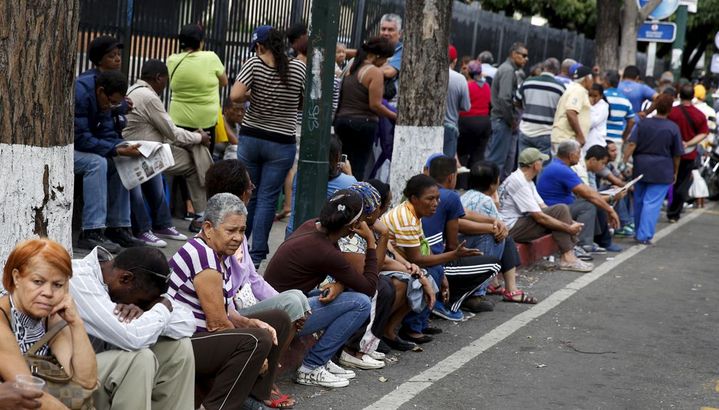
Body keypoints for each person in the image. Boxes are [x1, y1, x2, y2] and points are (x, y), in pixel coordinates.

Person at [168, 193, 293, 409]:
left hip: (202, 336)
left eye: (242, 231)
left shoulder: (219, 254)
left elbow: (226, 310)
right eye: (231, 231)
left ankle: (255, 394)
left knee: (278, 319)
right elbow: (217, 324)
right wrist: (257, 355)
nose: (238, 237)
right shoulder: (203, 256)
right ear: (208, 228)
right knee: (256, 341)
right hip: (182, 344)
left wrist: (249, 323)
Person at [264, 190, 377, 388]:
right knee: (360, 303)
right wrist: (372, 242)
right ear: (353, 226)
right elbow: (369, 286)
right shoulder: (323, 249)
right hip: (282, 317)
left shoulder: (313, 225)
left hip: (283, 303)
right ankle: (311, 366)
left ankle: (322, 360)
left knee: (350, 295)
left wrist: (340, 285)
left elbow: (345, 272)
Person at [70, 246, 196, 409]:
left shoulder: (126, 283)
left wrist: (149, 311)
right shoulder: (78, 278)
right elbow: (132, 337)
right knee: (139, 358)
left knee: (178, 347)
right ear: (125, 279)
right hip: (63, 379)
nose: (137, 306)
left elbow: (187, 322)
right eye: (141, 302)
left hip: (100, 369)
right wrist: (161, 309)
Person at [382, 173, 499, 343]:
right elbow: (418, 259)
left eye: (437, 198)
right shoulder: (405, 218)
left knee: (437, 270)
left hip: (404, 261)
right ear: (414, 198)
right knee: (426, 274)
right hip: (394, 264)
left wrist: (443, 273)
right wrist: (454, 255)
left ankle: (419, 323)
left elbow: (423, 247)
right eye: (430, 199)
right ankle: (407, 329)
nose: (436, 204)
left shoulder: (412, 212)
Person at [230, 25, 306, 268]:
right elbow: (303, 102)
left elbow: (235, 96)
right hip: (281, 142)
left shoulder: (254, 63)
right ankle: (257, 253)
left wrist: (254, 95)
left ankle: (238, 243)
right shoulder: (298, 67)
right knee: (267, 198)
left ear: (260, 46)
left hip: (252, 137)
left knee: (248, 194)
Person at [0, 239, 98, 408]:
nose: (48, 293)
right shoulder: (3, 320)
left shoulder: (51, 316)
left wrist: (76, 322)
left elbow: (86, 382)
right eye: (38, 282)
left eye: (57, 285)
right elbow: (28, 395)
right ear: (16, 277)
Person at [123, 59, 211, 247]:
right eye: (165, 81)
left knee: (189, 158)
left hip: (150, 151)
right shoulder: (149, 96)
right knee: (192, 160)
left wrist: (193, 138)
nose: (165, 85)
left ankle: (163, 224)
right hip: (139, 153)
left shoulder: (135, 90)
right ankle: (145, 230)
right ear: (159, 78)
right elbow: (172, 132)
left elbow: (166, 131)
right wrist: (198, 138)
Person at [420, 157, 502, 315]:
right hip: (434, 262)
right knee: (493, 264)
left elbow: (464, 214)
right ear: (451, 177)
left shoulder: (421, 193)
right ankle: (458, 300)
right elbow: (452, 245)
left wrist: (493, 221)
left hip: (420, 257)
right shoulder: (449, 196)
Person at [74, 69, 144, 251]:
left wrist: (122, 146)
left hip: (85, 145)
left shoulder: (104, 101)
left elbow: (105, 133)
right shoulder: (81, 95)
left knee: (122, 160)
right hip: (66, 149)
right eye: (111, 102)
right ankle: (91, 231)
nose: (112, 107)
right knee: (97, 163)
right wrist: (115, 149)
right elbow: (80, 138)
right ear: (100, 91)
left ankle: (118, 227)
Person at [499, 148, 593, 272]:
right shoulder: (519, 182)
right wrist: (568, 227)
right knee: (560, 210)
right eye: (541, 160)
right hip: (510, 228)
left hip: (517, 223)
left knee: (559, 209)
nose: (542, 163)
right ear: (535, 165)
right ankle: (568, 257)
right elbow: (539, 216)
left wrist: (569, 222)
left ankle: (570, 254)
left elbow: (543, 208)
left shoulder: (526, 180)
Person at [460, 161, 537, 303]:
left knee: (498, 236)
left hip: (465, 245)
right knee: (504, 238)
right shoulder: (486, 201)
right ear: (494, 183)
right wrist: (496, 204)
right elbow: (503, 229)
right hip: (474, 249)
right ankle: (510, 289)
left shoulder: (464, 196)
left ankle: (494, 284)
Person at [537, 141, 620, 253]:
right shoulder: (561, 169)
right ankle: (582, 244)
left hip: (560, 207)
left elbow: (587, 191)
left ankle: (592, 240)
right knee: (588, 204)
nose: (580, 156)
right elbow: (588, 194)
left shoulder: (561, 166)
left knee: (594, 201)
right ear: (571, 155)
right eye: (579, 153)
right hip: (555, 211)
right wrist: (610, 210)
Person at [623, 94, 684, 244]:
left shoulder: (643, 124)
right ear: (670, 109)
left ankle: (638, 231)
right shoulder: (673, 128)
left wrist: (624, 161)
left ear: (655, 106)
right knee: (652, 202)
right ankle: (644, 235)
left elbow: (632, 144)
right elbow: (677, 154)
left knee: (638, 200)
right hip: (662, 168)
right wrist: (675, 171)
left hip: (641, 166)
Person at [334, 36, 397, 180]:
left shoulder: (352, 67)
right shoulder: (374, 72)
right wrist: (394, 116)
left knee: (341, 165)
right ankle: (353, 199)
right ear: (378, 56)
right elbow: (375, 104)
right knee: (357, 168)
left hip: (342, 122)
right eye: (385, 59)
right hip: (362, 124)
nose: (385, 63)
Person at [286, 135, 357, 236]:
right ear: (338, 157)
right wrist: (349, 173)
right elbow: (358, 202)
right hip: (322, 238)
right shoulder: (348, 181)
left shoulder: (300, 175)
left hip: (293, 232)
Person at [666, 84, 708, 222]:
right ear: (693, 96)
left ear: (679, 95)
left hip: (670, 152)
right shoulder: (699, 115)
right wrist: (689, 143)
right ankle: (674, 213)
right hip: (688, 154)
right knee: (683, 183)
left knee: (668, 179)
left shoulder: (671, 112)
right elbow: (703, 134)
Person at [486, 42, 529, 179]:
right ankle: (489, 193)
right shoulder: (507, 70)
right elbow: (504, 99)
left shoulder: (509, 70)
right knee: (496, 161)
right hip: (502, 120)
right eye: (523, 55)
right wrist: (511, 120)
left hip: (504, 121)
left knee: (504, 161)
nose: (526, 59)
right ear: (514, 54)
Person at [516, 57, 565, 158]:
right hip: (546, 132)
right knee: (543, 168)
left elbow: (516, 101)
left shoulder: (527, 82)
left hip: (526, 130)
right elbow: (562, 110)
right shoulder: (560, 88)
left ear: (543, 67)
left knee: (524, 167)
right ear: (557, 71)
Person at [458, 60, 492, 169]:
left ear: (469, 72)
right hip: (485, 122)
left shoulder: (467, 86)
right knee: (478, 156)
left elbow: (461, 105)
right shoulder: (487, 86)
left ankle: (461, 183)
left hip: (467, 122)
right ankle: (476, 183)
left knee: (462, 154)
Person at [551, 65, 593, 152]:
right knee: (572, 165)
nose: (592, 82)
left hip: (566, 139)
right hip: (567, 140)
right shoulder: (578, 90)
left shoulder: (575, 89)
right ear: (586, 79)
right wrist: (580, 135)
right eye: (592, 79)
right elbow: (571, 112)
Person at [444, 45, 471, 157]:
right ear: (454, 61)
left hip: (429, 126)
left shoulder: (427, 74)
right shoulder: (460, 79)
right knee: (446, 167)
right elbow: (466, 106)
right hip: (450, 127)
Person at [602, 70, 635, 155]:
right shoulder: (625, 100)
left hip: (601, 138)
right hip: (616, 141)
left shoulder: (602, 96)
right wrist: (623, 137)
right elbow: (632, 120)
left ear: (607, 82)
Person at [586, 83, 609, 152]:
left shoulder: (603, 106)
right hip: (587, 142)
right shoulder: (586, 104)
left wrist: (590, 106)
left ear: (601, 96)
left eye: (595, 96)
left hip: (596, 142)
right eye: (590, 95)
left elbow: (592, 122)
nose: (592, 98)